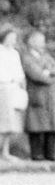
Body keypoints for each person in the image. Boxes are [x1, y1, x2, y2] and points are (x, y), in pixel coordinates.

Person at [21, 30, 55, 161]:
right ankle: (37, 154)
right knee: (36, 125)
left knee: (52, 125)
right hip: (36, 96)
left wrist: (48, 71)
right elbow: (37, 75)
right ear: (32, 42)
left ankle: (51, 153)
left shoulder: (46, 56)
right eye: (41, 41)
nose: (43, 44)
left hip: (50, 97)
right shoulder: (27, 57)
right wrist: (50, 77)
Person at [0, 27, 28, 162]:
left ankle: (5, 152)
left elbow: (19, 72)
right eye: (10, 37)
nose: (13, 40)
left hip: (13, 88)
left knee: (10, 123)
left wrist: (22, 87)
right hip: (2, 87)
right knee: (3, 121)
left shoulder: (14, 53)